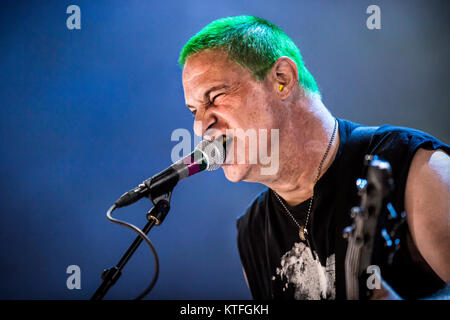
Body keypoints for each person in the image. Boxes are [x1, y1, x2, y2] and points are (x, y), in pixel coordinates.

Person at [178, 15, 449, 300]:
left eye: (216, 96)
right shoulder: (252, 233)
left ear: (282, 80)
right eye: (193, 110)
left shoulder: (418, 169)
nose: (199, 126)